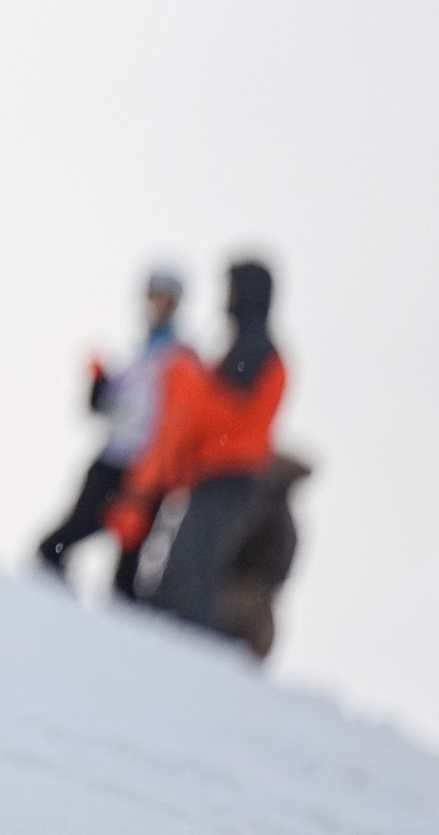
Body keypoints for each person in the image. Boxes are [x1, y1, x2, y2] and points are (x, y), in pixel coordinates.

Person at [107, 257, 296, 654]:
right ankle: (175, 643)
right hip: (217, 471)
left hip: (230, 472)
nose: (225, 299)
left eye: (231, 289)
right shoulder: (249, 345)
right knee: (186, 562)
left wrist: (185, 382)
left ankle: (191, 654)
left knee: (191, 565)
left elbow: (225, 409)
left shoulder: (256, 346)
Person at [35, 264, 187, 593]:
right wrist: (99, 384)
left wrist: (150, 480)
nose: (156, 304)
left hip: (143, 470)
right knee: (71, 532)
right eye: (153, 295)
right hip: (112, 457)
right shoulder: (139, 355)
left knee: (127, 556)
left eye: (164, 298)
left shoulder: (180, 361)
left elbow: (171, 424)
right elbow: (106, 408)